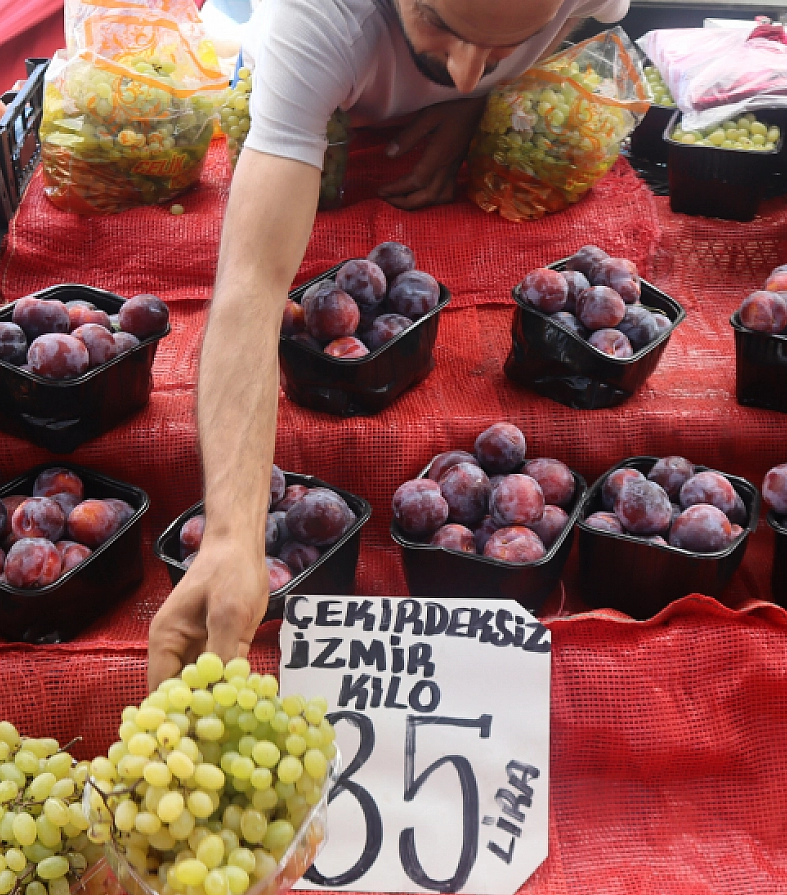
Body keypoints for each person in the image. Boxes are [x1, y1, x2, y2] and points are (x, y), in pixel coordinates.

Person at [146, 0, 630, 687]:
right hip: (318, 122)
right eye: (441, 25)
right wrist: (231, 534)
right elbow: (253, 286)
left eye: (498, 48)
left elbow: (590, 27)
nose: (464, 72)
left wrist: (476, 108)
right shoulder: (315, 19)